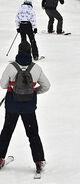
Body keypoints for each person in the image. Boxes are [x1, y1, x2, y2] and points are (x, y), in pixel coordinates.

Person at [0, 41, 50, 173]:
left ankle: (0, 158)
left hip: (12, 106)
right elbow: (46, 86)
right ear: (30, 52)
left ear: (18, 51)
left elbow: (3, 85)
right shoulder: (36, 68)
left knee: (7, 131)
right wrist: (35, 91)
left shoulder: (11, 67)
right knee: (33, 133)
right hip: (28, 107)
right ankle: (39, 161)